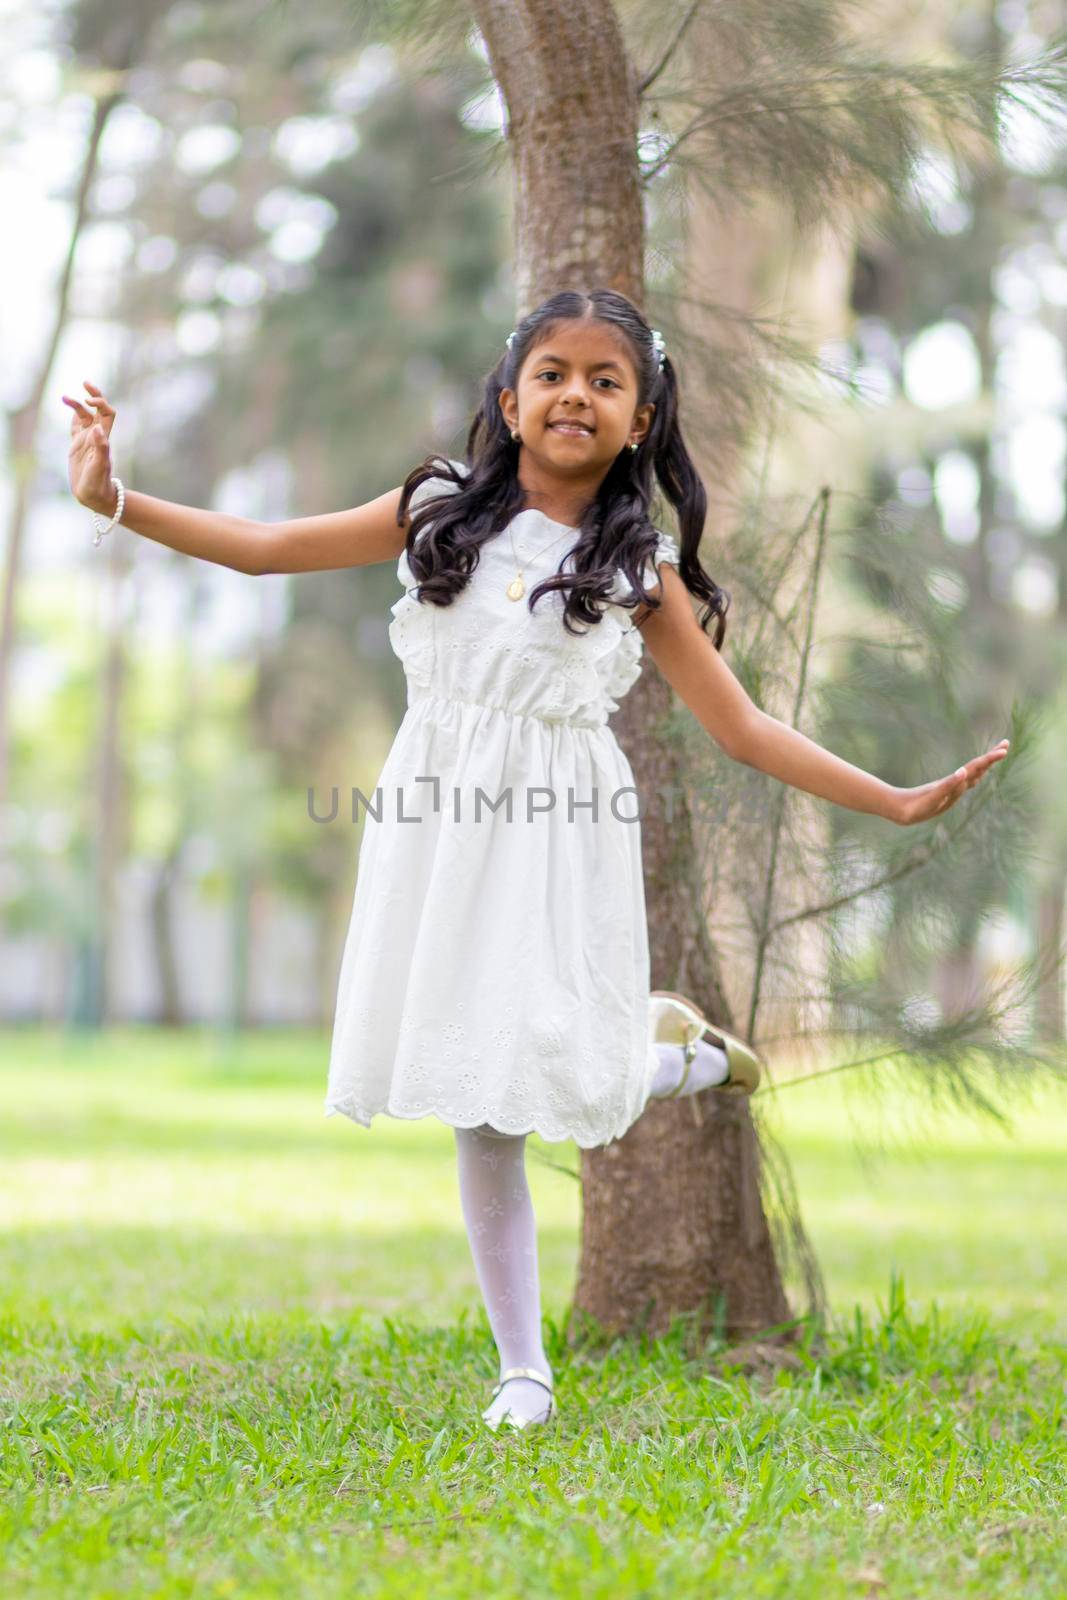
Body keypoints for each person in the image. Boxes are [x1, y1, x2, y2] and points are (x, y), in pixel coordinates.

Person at [63, 287, 1009, 1434]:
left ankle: (678, 1057)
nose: (577, 393)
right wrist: (113, 496)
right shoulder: (436, 510)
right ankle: (523, 1369)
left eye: (606, 381)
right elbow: (266, 550)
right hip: (436, 823)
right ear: (509, 403)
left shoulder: (636, 570)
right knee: (483, 1097)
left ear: (642, 420)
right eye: (553, 372)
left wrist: (893, 800)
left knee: (551, 1065)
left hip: (559, 830)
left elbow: (744, 729)